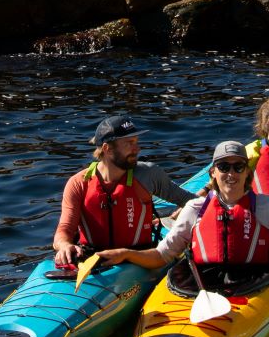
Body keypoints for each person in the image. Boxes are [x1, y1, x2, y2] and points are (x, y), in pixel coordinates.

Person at [96, 139, 269, 285]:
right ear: (213, 173)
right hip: (201, 285)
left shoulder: (267, 207)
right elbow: (162, 255)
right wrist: (125, 253)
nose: (231, 173)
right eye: (224, 167)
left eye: (238, 167)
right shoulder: (194, 209)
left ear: (247, 172)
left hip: (255, 283)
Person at [50, 113, 196, 270]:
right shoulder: (78, 183)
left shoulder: (148, 174)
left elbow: (194, 203)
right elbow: (64, 228)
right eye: (130, 143)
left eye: (137, 142)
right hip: (93, 258)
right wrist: (64, 245)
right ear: (107, 149)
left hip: (139, 258)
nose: (137, 149)